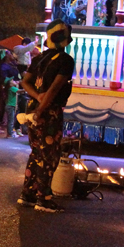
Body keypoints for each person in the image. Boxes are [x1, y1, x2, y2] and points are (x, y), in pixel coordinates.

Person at [18, 19, 75, 213]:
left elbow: (25, 82)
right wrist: (41, 109)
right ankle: (43, 198)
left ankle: (28, 194)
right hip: (48, 112)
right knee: (49, 155)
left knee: (36, 152)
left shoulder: (39, 58)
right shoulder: (65, 60)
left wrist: (36, 97)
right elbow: (54, 89)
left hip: (33, 107)